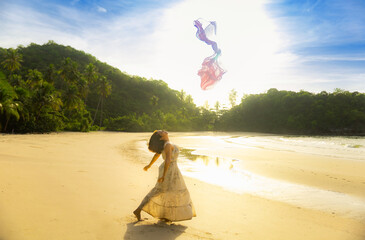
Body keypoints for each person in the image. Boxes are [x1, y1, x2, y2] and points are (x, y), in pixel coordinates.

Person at [133, 130, 196, 222]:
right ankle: (138, 210)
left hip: (173, 169)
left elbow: (156, 155)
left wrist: (149, 165)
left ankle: (165, 215)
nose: (163, 130)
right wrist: (163, 175)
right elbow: (168, 160)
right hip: (169, 170)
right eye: (161, 132)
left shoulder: (166, 144)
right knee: (158, 191)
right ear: (161, 137)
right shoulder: (167, 145)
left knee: (170, 192)